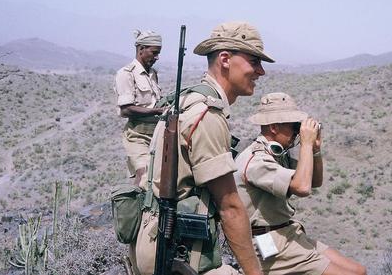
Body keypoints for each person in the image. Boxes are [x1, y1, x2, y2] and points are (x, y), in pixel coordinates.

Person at [132, 21, 274, 275]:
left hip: (153, 242)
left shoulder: (186, 100)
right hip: (174, 255)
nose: (260, 71)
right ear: (225, 59)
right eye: (254, 61)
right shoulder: (206, 115)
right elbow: (230, 208)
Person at [234, 92, 367, 275]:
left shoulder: (277, 154)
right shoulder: (256, 161)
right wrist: (305, 144)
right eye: (294, 127)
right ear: (274, 127)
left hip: (288, 233)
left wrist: (315, 150)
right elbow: (302, 188)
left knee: (359, 271)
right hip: (271, 243)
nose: (297, 132)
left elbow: (314, 182)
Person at [114, 29, 165, 181]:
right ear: (141, 49)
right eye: (154, 52)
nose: (157, 57)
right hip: (137, 136)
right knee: (144, 175)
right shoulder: (126, 74)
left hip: (157, 134)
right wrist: (157, 111)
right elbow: (126, 109)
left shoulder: (152, 74)